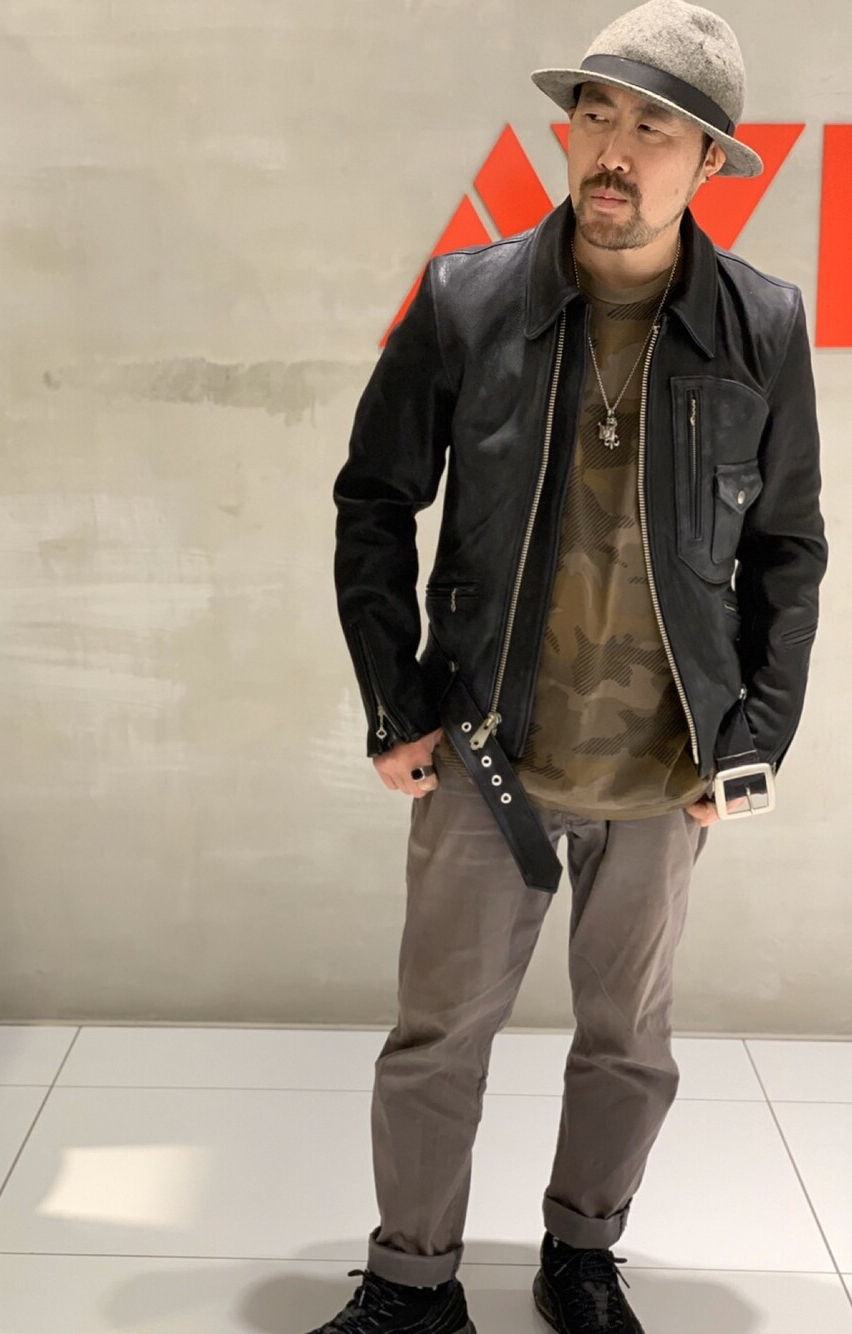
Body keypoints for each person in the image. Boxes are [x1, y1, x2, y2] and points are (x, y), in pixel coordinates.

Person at [317, 1, 827, 1330]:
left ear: (709, 161)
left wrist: (753, 739)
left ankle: (581, 1257)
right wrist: (393, 700)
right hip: (486, 750)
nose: (614, 147)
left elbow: (789, 551)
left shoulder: (762, 326)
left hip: (664, 768)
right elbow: (375, 499)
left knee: (629, 1041)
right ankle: (413, 1286)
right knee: (436, 1036)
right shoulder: (468, 300)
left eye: (654, 127)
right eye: (596, 114)